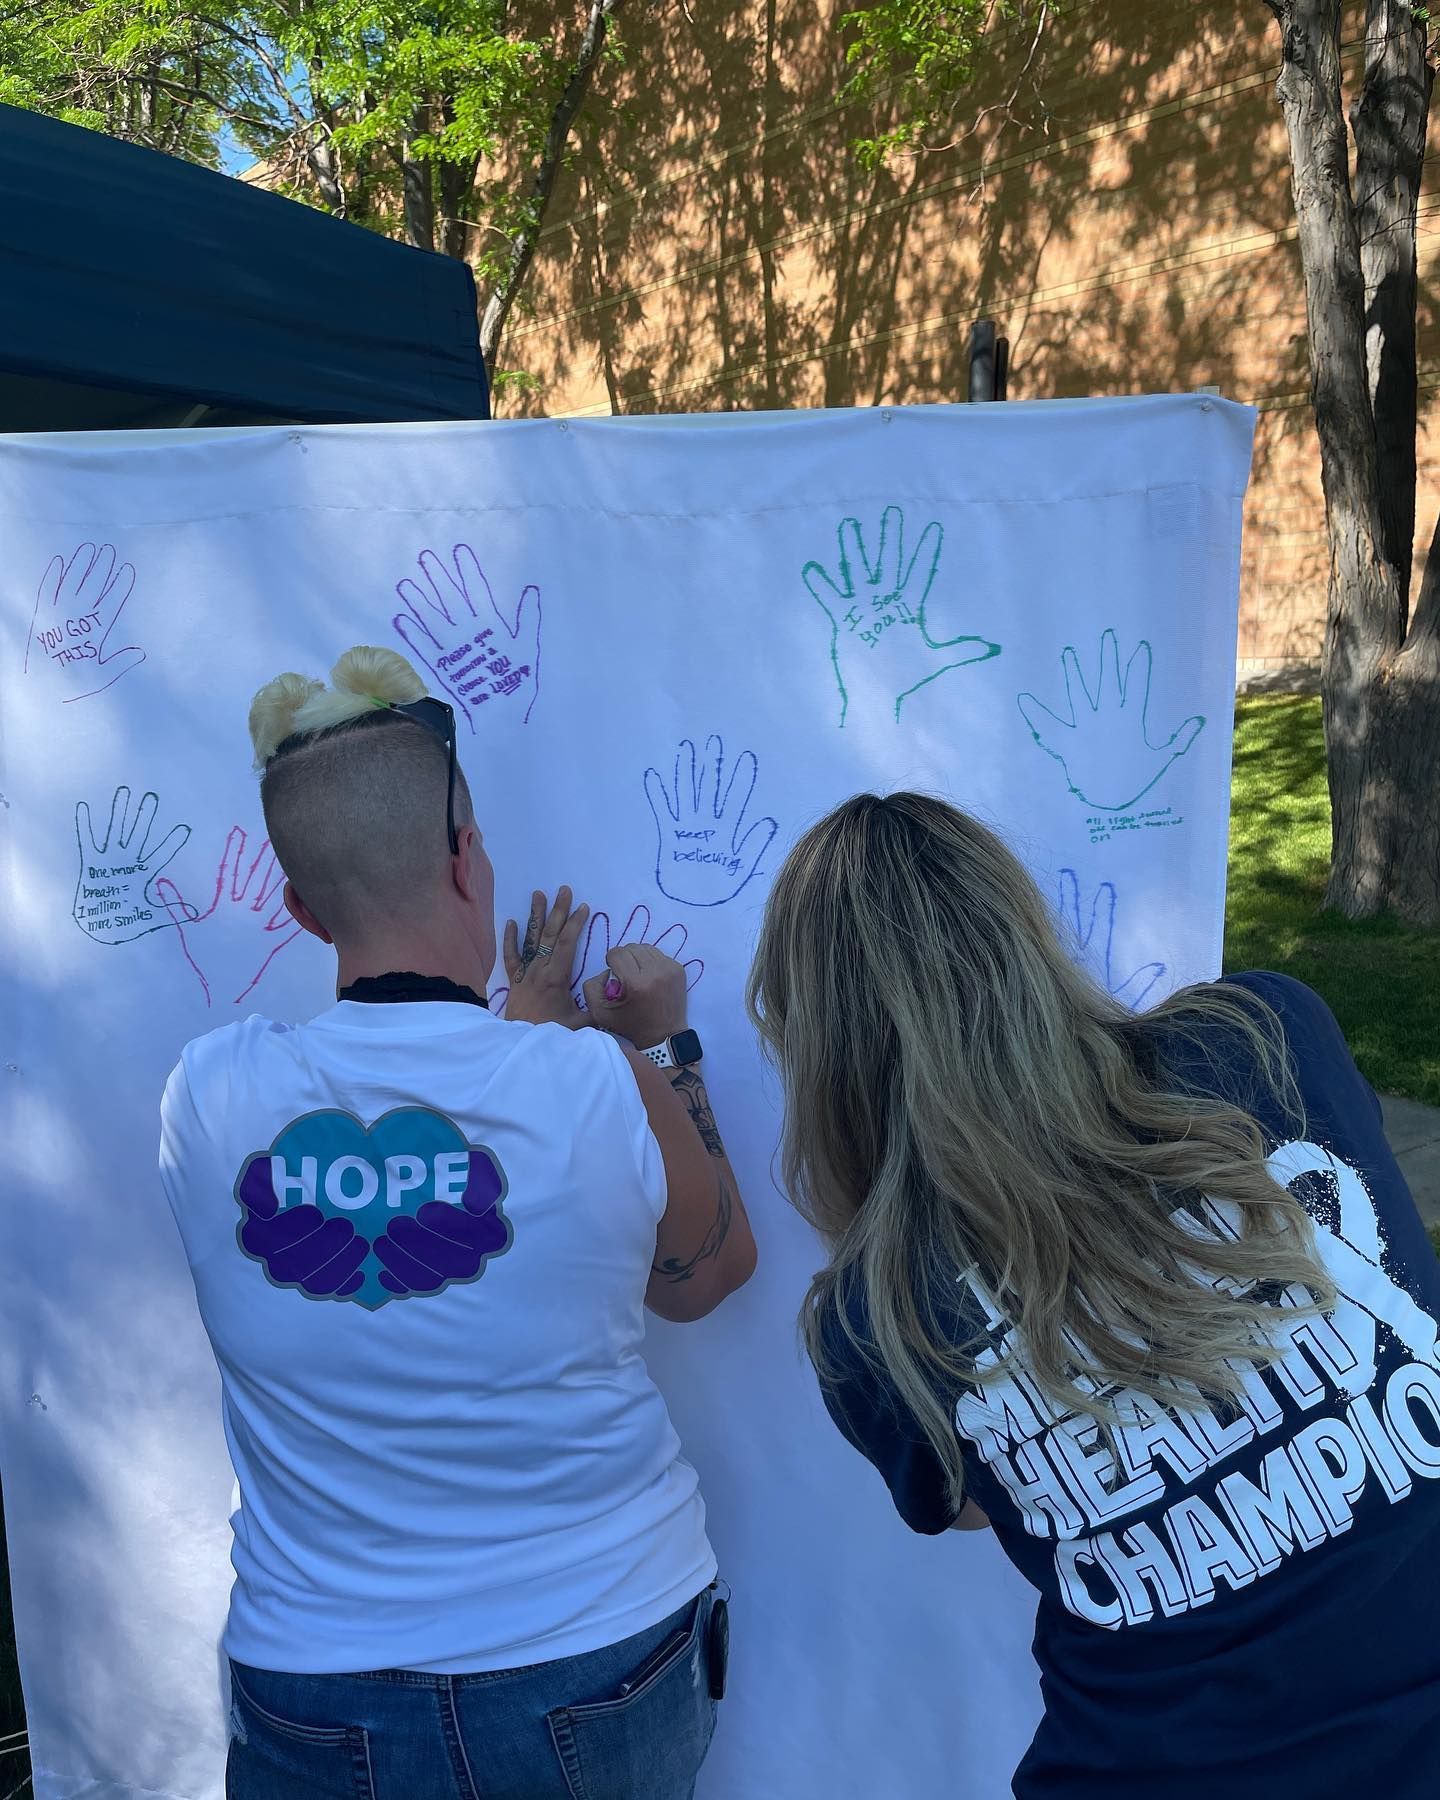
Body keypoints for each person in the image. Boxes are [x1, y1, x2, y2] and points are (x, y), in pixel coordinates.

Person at [746, 790, 1440, 1800]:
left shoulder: (876, 1317)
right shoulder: (1263, 1037)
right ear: (1024, 932)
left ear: (821, 1043)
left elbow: (990, 1506)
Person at [158, 645, 755, 1800]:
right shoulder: (595, 1081)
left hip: (315, 1683)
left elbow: (429, 1111)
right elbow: (708, 1272)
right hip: (598, 1651)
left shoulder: (206, 1094)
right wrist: (657, 1047)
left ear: (296, 907)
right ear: (469, 857)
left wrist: (516, 1030)